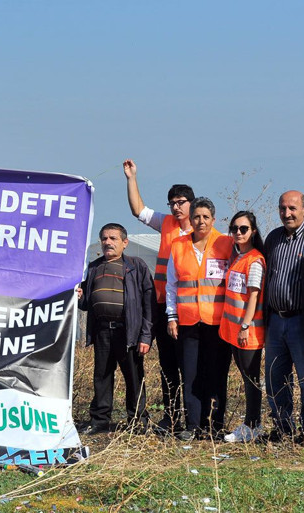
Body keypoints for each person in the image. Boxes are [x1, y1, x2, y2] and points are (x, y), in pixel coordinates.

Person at [123, 159, 194, 433]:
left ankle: (192, 416)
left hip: (190, 309)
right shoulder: (165, 223)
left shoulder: (200, 231)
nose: (176, 207)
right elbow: (138, 210)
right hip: (164, 305)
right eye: (172, 202)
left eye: (181, 202)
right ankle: (171, 415)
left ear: (192, 203)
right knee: (168, 364)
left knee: (188, 365)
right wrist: (132, 178)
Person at [263, 190, 304, 444]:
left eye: (292, 208)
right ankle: (282, 427)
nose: (287, 213)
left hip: (303, 321)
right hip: (276, 321)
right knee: (275, 377)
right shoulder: (273, 238)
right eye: (283, 208)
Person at [166, 197, 233, 441]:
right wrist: (171, 317)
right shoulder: (178, 245)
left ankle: (214, 425)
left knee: (216, 374)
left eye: (206, 217)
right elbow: (172, 285)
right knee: (191, 375)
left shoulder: (226, 243)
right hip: (188, 322)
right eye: (196, 217)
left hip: (218, 323)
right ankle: (192, 425)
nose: (201, 221)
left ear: (213, 220)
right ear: (190, 219)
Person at [77, 223, 155, 434]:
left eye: (113, 238)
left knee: (134, 377)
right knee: (101, 376)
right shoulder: (93, 267)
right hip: (102, 331)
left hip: (128, 331)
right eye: (104, 238)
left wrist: (146, 336)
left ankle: (138, 421)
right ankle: (100, 420)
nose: (107, 242)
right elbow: (85, 304)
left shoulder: (136, 266)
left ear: (124, 242)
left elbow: (149, 303)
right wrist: (79, 296)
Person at [218, 211, 266, 443]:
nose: (238, 232)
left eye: (244, 229)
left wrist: (245, 325)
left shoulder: (255, 260)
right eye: (234, 228)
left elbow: (253, 296)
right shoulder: (238, 257)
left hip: (248, 331)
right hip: (235, 331)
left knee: (251, 379)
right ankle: (251, 423)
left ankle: (253, 425)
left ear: (253, 232)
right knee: (247, 377)